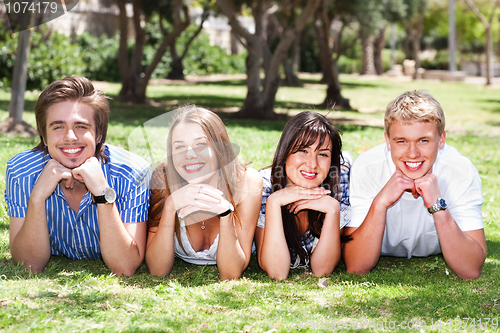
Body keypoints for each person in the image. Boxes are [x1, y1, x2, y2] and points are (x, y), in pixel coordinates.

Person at [5, 76, 151, 276]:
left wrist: (102, 194)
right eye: (58, 127)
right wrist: (37, 196)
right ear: (44, 136)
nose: (70, 137)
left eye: (81, 126)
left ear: (98, 134)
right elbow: (29, 265)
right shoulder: (21, 171)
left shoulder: (132, 173)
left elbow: (124, 266)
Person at [343, 90, 486, 279]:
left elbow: (470, 269)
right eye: (401, 141)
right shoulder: (368, 167)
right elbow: (356, 266)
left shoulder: (460, 170)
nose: (412, 153)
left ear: (441, 139)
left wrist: (437, 205)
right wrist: (380, 203)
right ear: (387, 140)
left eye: (423, 140)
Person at [145, 106, 263, 280]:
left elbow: (231, 273)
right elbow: (157, 270)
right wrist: (170, 207)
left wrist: (225, 214)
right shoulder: (163, 178)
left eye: (201, 144)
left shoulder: (247, 182)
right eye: (179, 147)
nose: (190, 155)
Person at [255, 111, 351, 280]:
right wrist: (274, 203)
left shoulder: (339, 184)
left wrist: (333, 209)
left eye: (323, 154)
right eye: (303, 151)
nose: (312, 164)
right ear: (285, 152)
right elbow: (277, 272)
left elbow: (323, 269)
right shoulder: (264, 186)